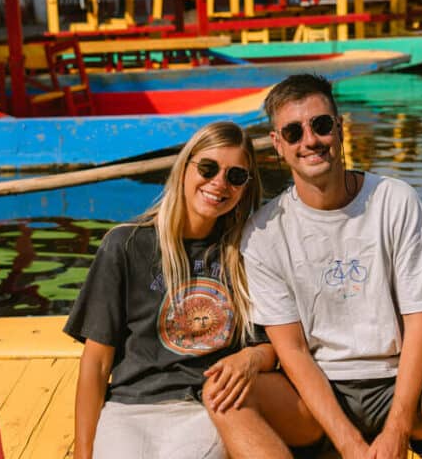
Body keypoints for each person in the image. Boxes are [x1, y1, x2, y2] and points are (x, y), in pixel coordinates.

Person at [241, 74, 422, 458]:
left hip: (401, 385)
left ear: (339, 129)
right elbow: (293, 352)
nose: (310, 141)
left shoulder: (394, 200)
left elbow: (420, 323)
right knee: (229, 397)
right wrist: (350, 443)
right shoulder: (263, 232)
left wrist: (397, 429)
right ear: (278, 144)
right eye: (293, 132)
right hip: (319, 398)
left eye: (321, 125)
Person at [64, 121, 319, 459]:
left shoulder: (248, 250)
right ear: (184, 167)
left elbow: (273, 346)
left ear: (245, 187)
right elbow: (96, 363)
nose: (219, 184)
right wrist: (84, 454)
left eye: (236, 176)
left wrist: (249, 356)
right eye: (208, 168)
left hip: (202, 406)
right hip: (129, 407)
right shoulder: (124, 245)